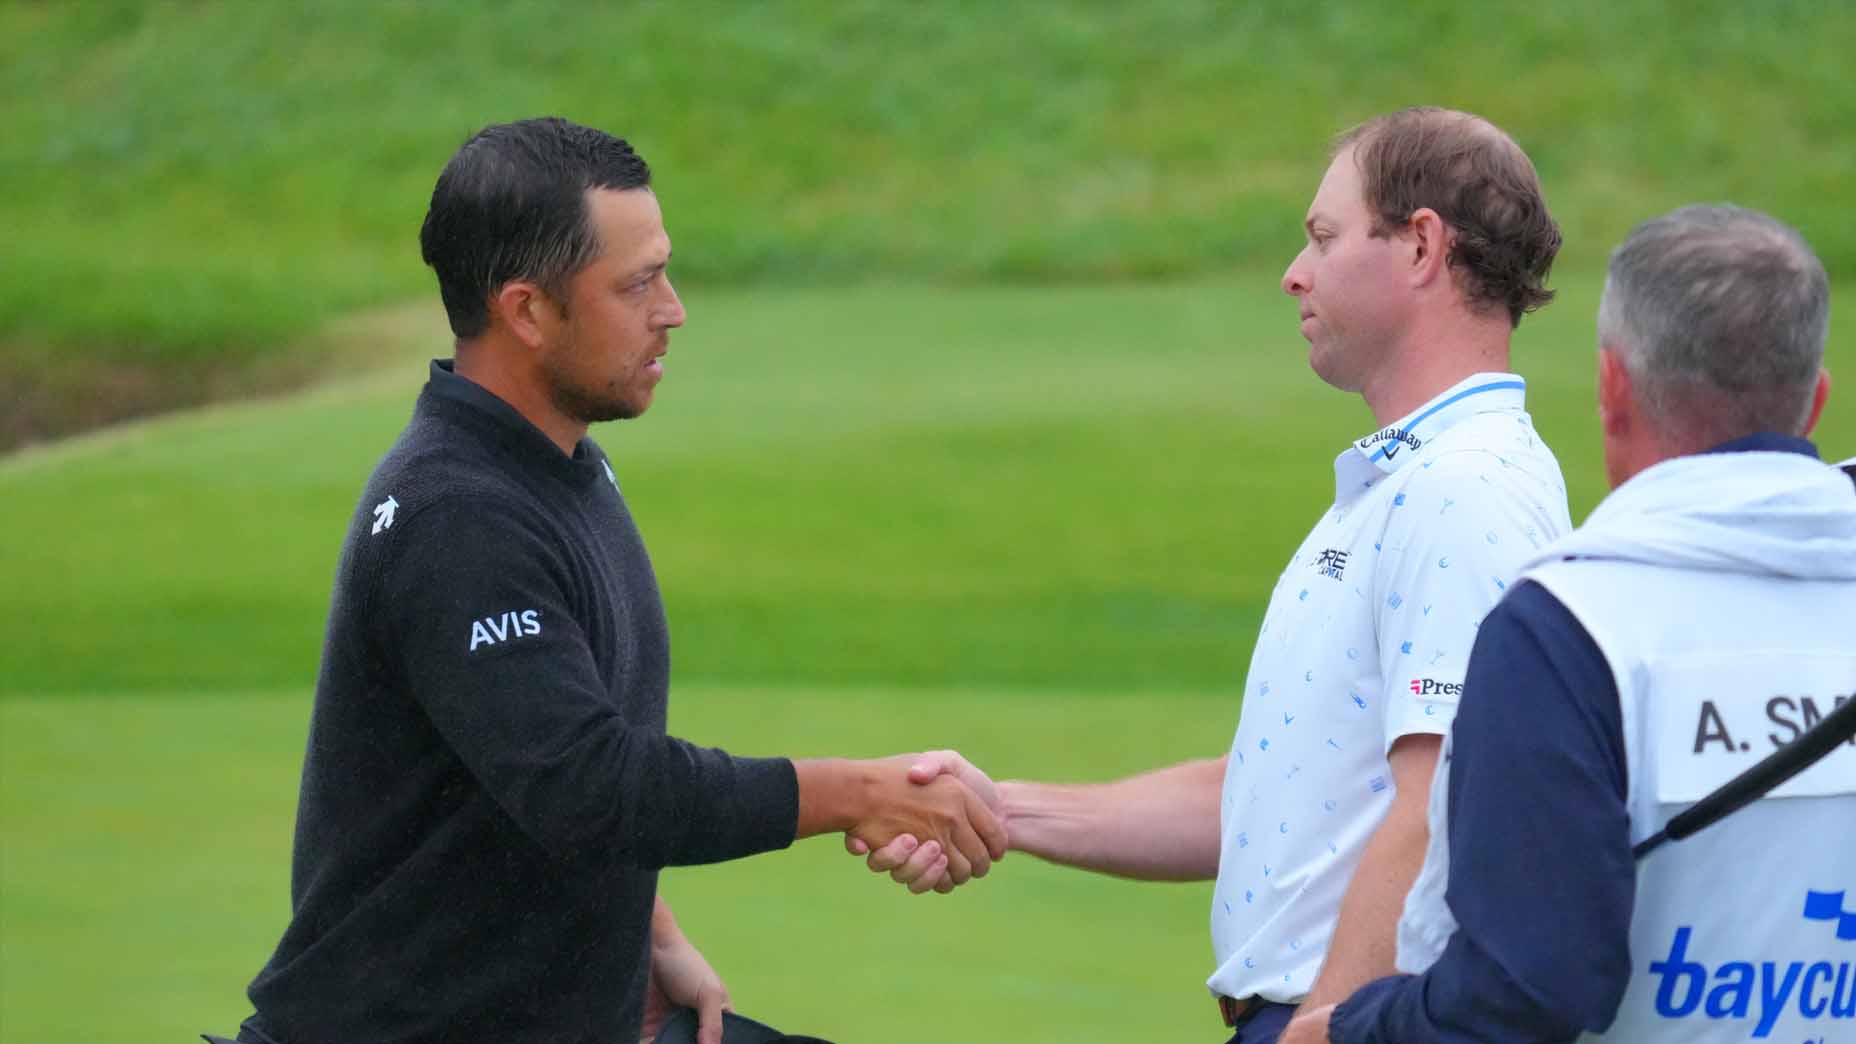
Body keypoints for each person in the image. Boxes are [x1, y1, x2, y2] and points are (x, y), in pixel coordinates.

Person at [223, 118, 1004, 1044]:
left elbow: (526, 754)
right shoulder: (458, 516)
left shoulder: (555, 465)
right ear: (527, 311)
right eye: (637, 284)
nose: (673, 309)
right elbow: (589, 786)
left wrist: (648, 931)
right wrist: (858, 793)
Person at [861, 107, 1573, 1041]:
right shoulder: (1408, 483)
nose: (1294, 272)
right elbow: (1271, 795)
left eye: (1324, 237)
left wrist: (1325, 1027)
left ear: (1421, 247)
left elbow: (1440, 803)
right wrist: (1000, 812)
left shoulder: (1462, 490)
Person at [1279, 205, 1856, 1043]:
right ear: (1815, 401)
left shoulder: (1566, 630)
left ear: (1612, 387)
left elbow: (1527, 988)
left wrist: (1353, 1030)